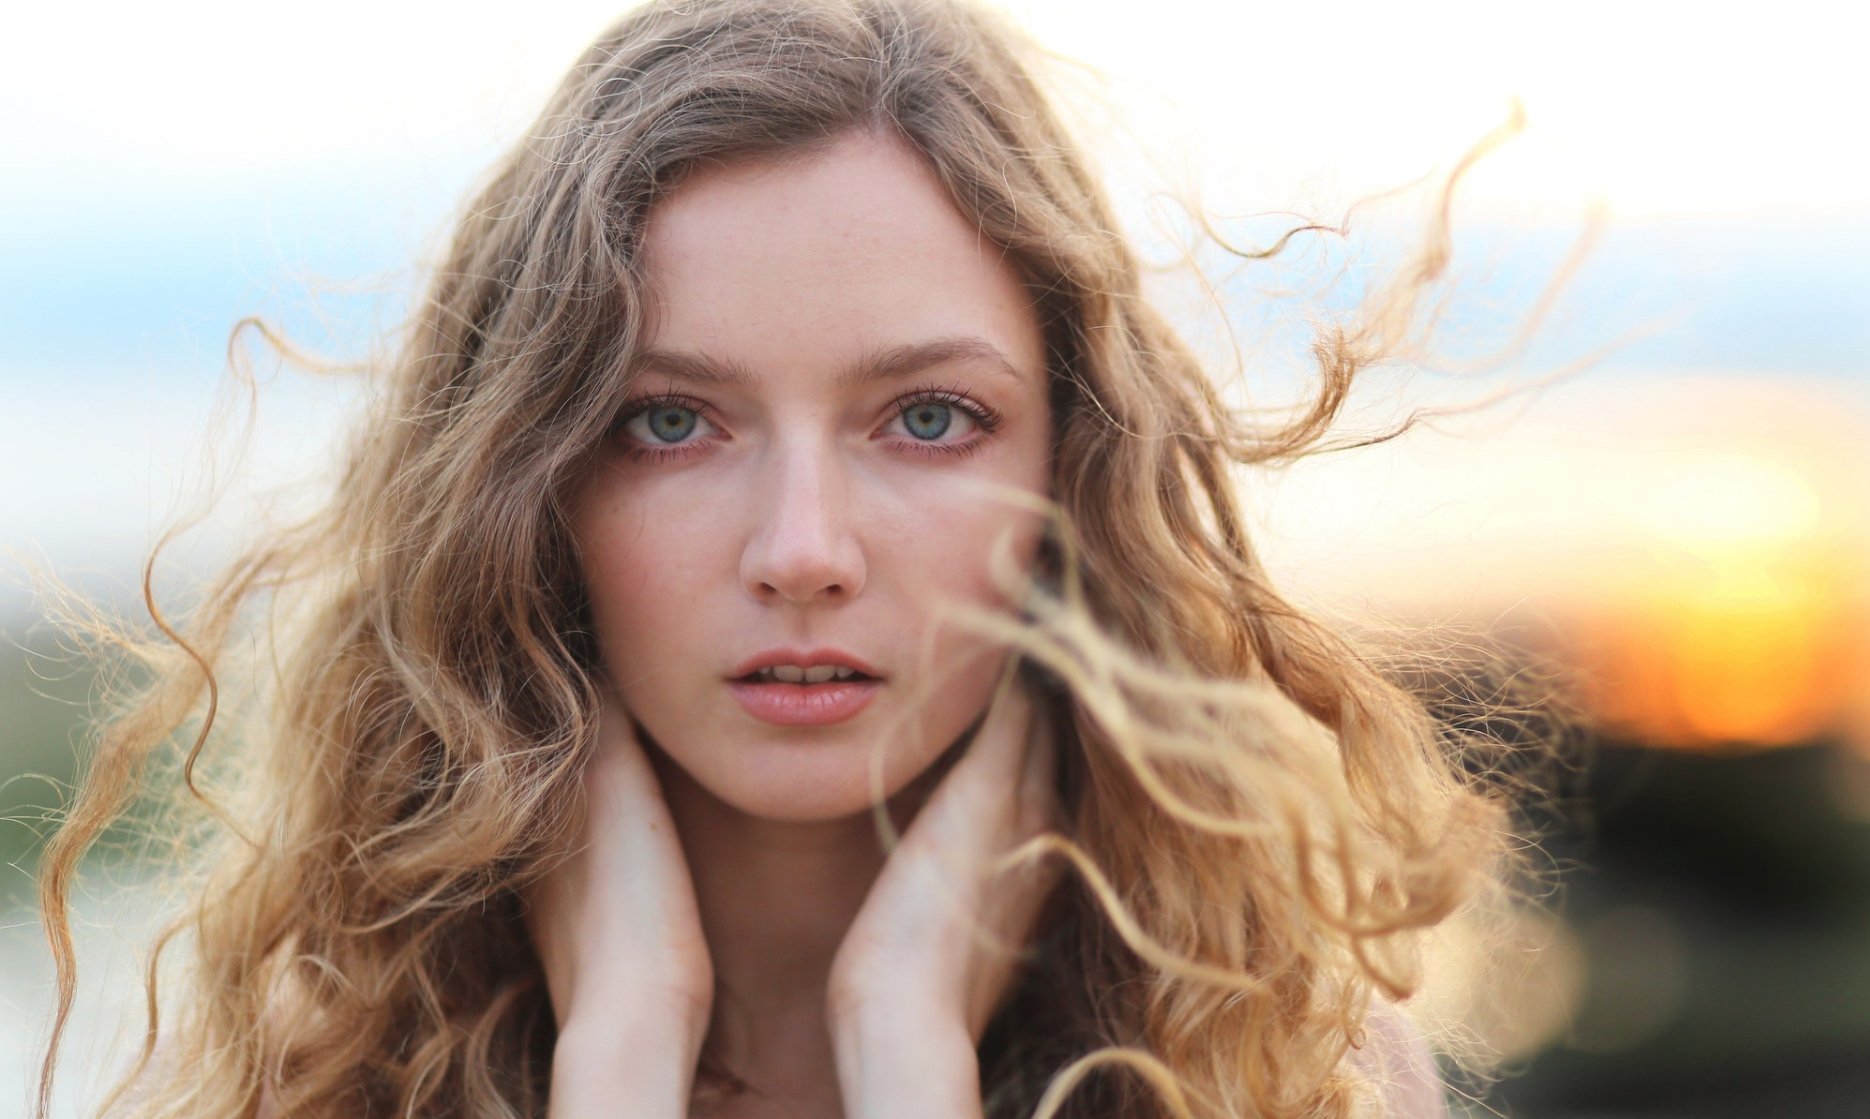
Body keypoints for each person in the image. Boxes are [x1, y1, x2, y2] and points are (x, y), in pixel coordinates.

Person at [36, 1, 1533, 1116]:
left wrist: (906, 1052)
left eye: (929, 417)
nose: (804, 552)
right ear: (523, 482)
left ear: (1071, 468)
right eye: (671, 422)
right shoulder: (287, 1080)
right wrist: (624, 1046)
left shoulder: (1288, 1072)